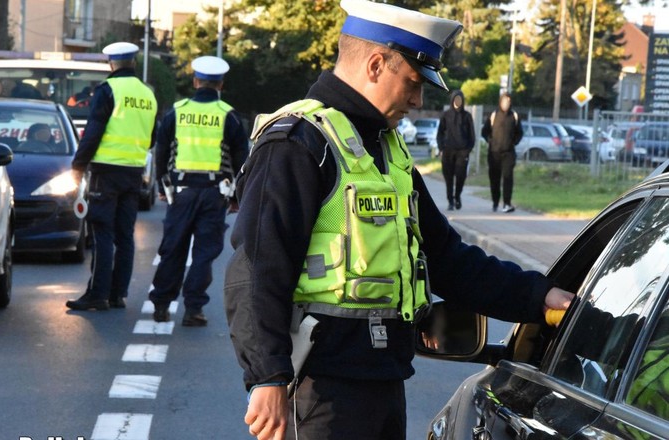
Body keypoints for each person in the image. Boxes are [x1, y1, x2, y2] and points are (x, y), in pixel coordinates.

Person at [223, 1, 574, 439]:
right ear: (375, 65)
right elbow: (256, 269)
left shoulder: (387, 150)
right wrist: (268, 377)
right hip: (319, 394)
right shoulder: (300, 143)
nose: (417, 100)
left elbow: (447, 258)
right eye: (413, 82)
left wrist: (539, 296)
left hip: (384, 381)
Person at [149, 55, 249, 327]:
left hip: (181, 192)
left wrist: (162, 185)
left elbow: (162, 150)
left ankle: (161, 305)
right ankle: (193, 309)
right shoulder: (228, 115)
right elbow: (241, 160)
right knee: (205, 252)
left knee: (173, 247)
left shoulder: (176, 112)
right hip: (215, 194)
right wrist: (237, 197)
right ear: (221, 84)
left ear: (195, 82)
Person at [66, 42, 158, 311]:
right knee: (125, 235)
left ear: (111, 64)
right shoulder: (148, 94)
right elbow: (152, 137)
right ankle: (118, 294)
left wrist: (78, 166)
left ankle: (98, 294)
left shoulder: (107, 90)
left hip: (106, 172)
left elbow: (93, 132)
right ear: (133, 63)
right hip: (134, 171)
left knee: (102, 232)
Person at [482, 92, 522, 213]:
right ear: (500, 102)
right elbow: (484, 131)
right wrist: (490, 141)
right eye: (504, 101)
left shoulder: (514, 116)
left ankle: (507, 203)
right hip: (494, 153)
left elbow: (520, 133)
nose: (506, 104)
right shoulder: (493, 115)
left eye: (508, 102)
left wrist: (514, 142)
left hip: (508, 153)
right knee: (494, 179)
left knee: (508, 178)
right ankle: (495, 202)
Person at [437, 90, 475, 211]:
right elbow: (440, 133)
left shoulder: (467, 116)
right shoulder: (446, 115)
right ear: (452, 100)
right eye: (456, 99)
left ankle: (457, 196)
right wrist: (441, 148)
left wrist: (467, 150)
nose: (458, 101)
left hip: (462, 152)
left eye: (460, 99)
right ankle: (450, 201)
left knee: (460, 177)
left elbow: (472, 136)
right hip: (448, 151)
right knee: (448, 178)